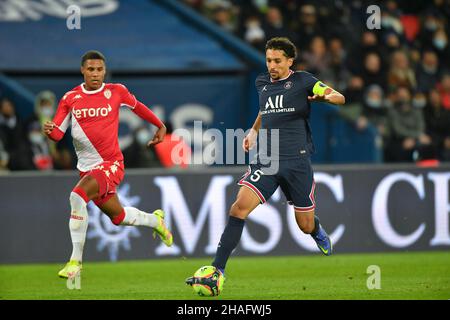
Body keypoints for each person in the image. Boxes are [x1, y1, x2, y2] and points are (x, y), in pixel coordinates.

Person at [186, 37, 345, 287]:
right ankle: (217, 270)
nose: (272, 65)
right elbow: (265, 109)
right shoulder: (261, 83)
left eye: (277, 61)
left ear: (289, 61)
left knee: (303, 225)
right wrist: (253, 131)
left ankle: (316, 230)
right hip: (267, 160)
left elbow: (339, 97)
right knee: (238, 208)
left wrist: (324, 97)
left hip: (297, 162)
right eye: (268, 60)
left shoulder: (303, 81)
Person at [43, 51, 173, 279]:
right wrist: (50, 131)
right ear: (83, 70)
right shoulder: (70, 98)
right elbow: (58, 133)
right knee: (119, 217)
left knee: (77, 197)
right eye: (91, 69)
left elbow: (138, 107)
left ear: (105, 71)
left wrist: (160, 125)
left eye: (99, 69)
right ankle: (156, 221)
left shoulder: (116, 91)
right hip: (87, 169)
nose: (95, 74)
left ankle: (75, 261)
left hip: (110, 164)